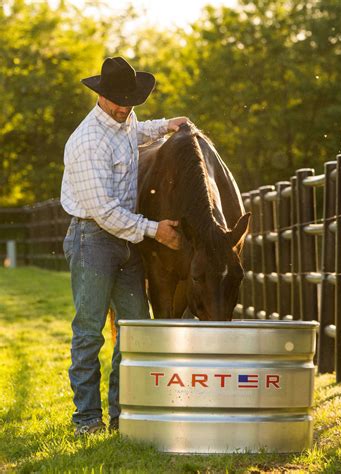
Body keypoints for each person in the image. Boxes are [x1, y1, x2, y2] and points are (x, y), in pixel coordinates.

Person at [61, 56, 186, 436]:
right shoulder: (86, 142)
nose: (123, 108)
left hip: (125, 238)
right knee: (89, 329)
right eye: (116, 101)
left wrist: (167, 126)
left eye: (129, 101)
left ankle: (122, 414)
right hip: (94, 238)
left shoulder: (123, 118)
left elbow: (134, 133)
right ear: (100, 95)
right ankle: (86, 420)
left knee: (133, 327)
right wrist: (154, 230)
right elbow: (104, 211)